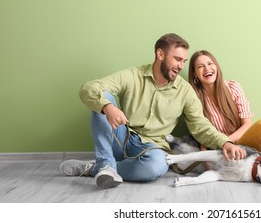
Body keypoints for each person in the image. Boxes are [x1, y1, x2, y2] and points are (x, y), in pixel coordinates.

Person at [59, 33, 246, 188]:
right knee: (102, 97)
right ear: (160, 54)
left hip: (151, 148)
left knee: (157, 166)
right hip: (121, 136)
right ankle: (105, 163)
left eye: (184, 61)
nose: (181, 66)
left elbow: (200, 125)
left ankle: (97, 168)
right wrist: (107, 107)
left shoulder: (185, 91)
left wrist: (225, 142)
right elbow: (88, 88)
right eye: (178, 59)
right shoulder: (133, 75)